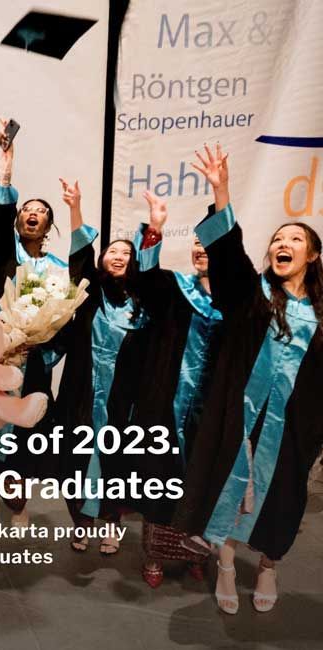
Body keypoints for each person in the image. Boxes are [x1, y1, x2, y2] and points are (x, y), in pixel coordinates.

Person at [173, 144, 323, 614]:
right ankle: (226, 564)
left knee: (282, 501)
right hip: (242, 417)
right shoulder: (253, 294)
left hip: (296, 427)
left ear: (313, 255)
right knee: (232, 490)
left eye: (296, 239)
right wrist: (221, 191)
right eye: (278, 238)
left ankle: (269, 568)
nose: (284, 244)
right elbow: (229, 256)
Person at [0, 118, 70, 529]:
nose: (33, 214)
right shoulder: (2, 251)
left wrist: (39, 344)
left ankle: (18, 494)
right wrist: (5, 162)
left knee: (29, 428)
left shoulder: (58, 267)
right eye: (27, 209)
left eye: (42, 212)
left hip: (32, 359)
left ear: (48, 227)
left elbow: (62, 316)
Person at [51, 178, 157, 554]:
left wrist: (154, 228)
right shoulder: (89, 293)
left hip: (123, 399)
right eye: (112, 251)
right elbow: (79, 255)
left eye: (126, 253)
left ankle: (111, 523)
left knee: (117, 462)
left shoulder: (146, 302)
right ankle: (80, 522)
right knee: (76, 458)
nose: (117, 256)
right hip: (81, 392)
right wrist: (75, 207)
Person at [124, 191, 223, 589]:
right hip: (165, 403)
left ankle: (195, 553)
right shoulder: (178, 289)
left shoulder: (241, 303)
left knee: (202, 484)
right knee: (161, 479)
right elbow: (145, 280)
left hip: (213, 410)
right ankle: (156, 556)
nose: (200, 249)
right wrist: (156, 230)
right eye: (197, 242)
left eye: (209, 244)